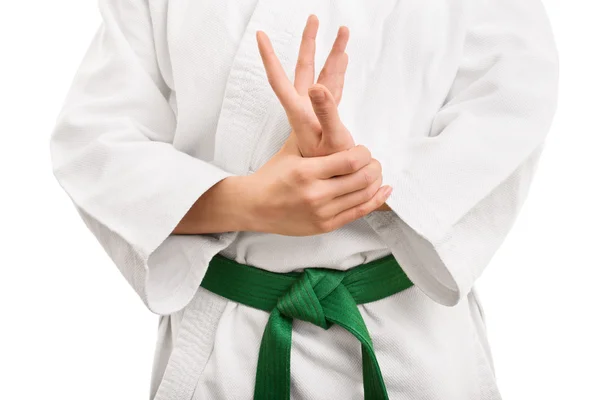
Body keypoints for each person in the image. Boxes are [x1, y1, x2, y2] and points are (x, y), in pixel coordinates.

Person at [49, 0, 558, 399]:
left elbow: (511, 102)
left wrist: (361, 182)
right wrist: (248, 200)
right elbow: (95, 141)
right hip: (224, 354)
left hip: (412, 350)